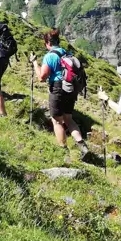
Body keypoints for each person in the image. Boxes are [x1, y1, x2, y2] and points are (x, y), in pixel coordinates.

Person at [31, 29, 91, 161]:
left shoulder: (50, 56)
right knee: (68, 119)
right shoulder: (66, 53)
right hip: (70, 89)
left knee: (57, 120)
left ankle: (63, 151)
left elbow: (42, 77)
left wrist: (35, 63)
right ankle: (82, 146)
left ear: (47, 43)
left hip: (57, 88)